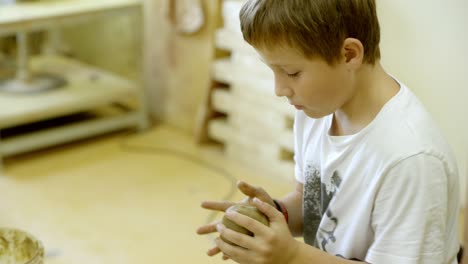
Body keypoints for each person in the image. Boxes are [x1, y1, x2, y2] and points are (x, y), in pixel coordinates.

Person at [197, 0, 461, 263]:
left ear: (349, 54)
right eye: (273, 71)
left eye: (291, 72)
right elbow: (311, 204)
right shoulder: (317, 110)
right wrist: (275, 215)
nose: (280, 89)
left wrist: (291, 256)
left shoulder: (411, 161)